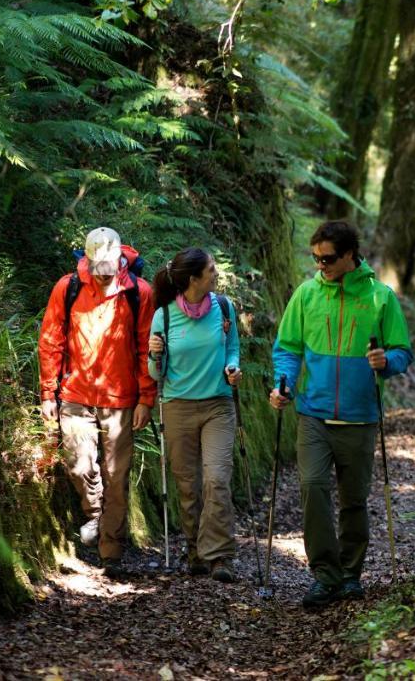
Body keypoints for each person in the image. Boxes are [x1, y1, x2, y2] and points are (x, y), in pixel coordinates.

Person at [270, 220, 413, 608]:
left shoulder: (380, 297)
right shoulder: (306, 295)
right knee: (312, 488)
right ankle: (325, 576)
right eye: (316, 259)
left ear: (350, 254)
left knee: (353, 501)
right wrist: (284, 384)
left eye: (328, 258)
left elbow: (403, 351)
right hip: (313, 414)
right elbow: (287, 348)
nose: (321, 266)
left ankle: (350, 575)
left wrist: (386, 361)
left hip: (360, 417)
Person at [38, 227, 154, 576]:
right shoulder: (68, 287)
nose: (104, 275)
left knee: (117, 476)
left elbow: (146, 347)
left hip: (122, 400)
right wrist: (48, 392)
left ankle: (111, 552)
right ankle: (94, 514)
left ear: (119, 260)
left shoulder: (139, 292)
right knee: (79, 466)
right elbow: (50, 339)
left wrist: (146, 398)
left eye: (109, 268)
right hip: (75, 394)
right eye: (98, 267)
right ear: (87, 261)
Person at [148, 247, 243, 584]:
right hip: (178, 407)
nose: (216, 274)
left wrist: (233, 368)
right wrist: (153, 354)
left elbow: (232, 348)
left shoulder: (224, 307)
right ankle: (195, 550)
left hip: (218, 404)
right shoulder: (165, 316)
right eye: (211, 270)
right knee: (189, 487)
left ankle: (219, 556)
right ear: (193, 279)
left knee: (216, 478)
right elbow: (155, 374)